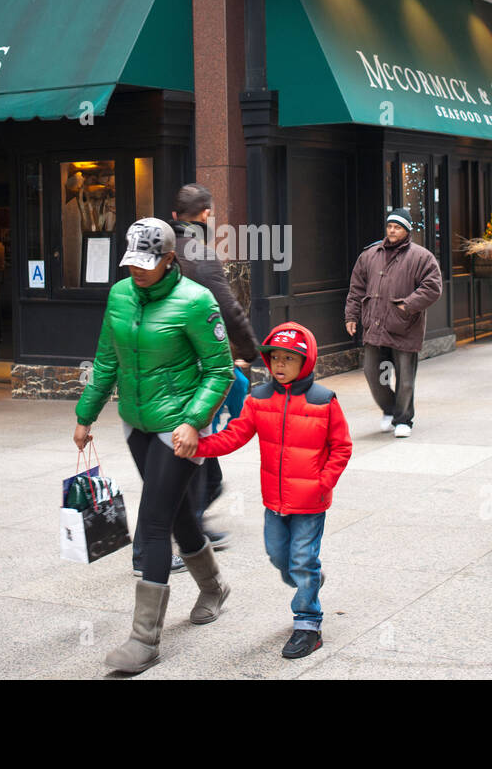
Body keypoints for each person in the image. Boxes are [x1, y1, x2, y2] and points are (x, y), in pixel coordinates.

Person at [73, 217, 235, 674]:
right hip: (135, 424)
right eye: (131, 263)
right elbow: (107, 358)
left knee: (153, 521)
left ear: (170, 259)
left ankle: (144, 640)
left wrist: (193, 421)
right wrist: (86, 414)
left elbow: (219, 370)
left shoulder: (196, 301)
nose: (137, 271)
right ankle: (214, 587)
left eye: (148, 263)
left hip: (178, 430)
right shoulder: (120, 295)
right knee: (179, 512)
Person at [177, 323, 352, 659]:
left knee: (302, 560)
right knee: (278, 556)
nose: (281, 365)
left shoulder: (323, 401)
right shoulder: (259, 399)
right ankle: (308, 580)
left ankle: (307, 623)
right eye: (276, 359)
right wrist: (200, 446)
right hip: (275, 502)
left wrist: (323, 482)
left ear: (307, 361)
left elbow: (341, 447)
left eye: (290, 358)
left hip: (310, 502)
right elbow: (235, 435)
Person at [169, 183, 261, 553]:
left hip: (155, 368)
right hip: (193, 368)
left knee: (189, 454)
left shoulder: (156, 250)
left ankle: (185, 528)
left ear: (175, 216)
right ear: (206, 214)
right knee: (192, 451)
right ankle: (175, 539)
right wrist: (250, 352)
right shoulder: (199, 255)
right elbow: (228, 310)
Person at [344, 208, 443, 438]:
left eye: (397, 227)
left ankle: (403, 420)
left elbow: (433, 287)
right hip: (374, 324)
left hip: (404, 325)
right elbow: (356, 288)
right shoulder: (369, 255)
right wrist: (351, 316)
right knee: (372, 372)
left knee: (405, 377)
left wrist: (407, 305)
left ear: (407, 230)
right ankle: (390, 410)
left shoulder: (421, 256)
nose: (392, 230)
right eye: (389, 226)